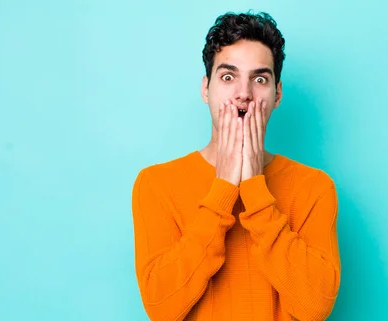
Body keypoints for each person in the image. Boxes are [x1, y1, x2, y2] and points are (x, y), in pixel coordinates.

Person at [131, 11, 341, 321]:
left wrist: (255, 189)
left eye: (259, 79)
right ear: (206, 89)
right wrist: (223, 191)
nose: (244, 93)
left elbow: (314, 308)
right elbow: (162, 308)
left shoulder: (315, 188)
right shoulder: (155, 184)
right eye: (228, 76)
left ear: (277, 94)